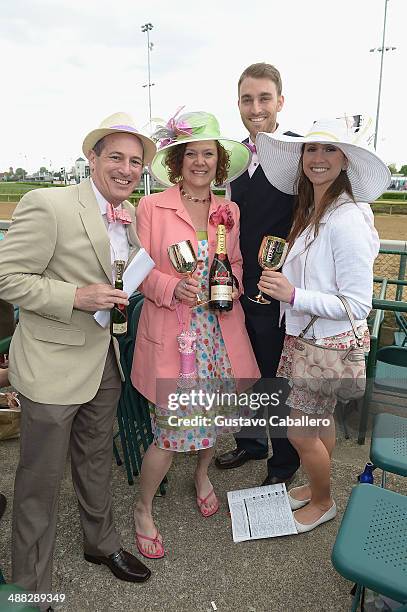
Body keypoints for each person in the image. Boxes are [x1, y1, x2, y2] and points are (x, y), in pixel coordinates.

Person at [0, 112, 157, 600]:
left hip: (104, 360)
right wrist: (75, 296)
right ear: (92, 158)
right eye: (116, 157)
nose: (126, 169)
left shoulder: (128, 214)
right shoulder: (47, 203)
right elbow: (7, 279)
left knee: (94, 463)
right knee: (39, 482)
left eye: (135, 162)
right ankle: (29, 587)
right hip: (51, 367)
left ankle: (100, 542)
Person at [131, 110, 260, 558]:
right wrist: (171, 286)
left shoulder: (230, 210)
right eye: (192, 154)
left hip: (220, 335)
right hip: (175, 337)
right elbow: (139, 275)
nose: (200, 162)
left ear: (219, 162)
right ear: (178, 160)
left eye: (208, 154)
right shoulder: (152, 206)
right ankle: (143, 508)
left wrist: (232, 285)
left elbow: (239, 263)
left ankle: (203, 474)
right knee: (169, 433)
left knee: (214, 421)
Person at [256, 117, 390, 532]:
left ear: (345, 159)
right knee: (319, 423)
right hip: (310, 338)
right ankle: (318, 487)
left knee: (300, 433)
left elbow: (356, 303)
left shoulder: (346, 218)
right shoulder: (318, 208)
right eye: (311, 149)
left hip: (324, 343)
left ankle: (324, 500)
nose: (318, 158)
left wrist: (291, 295)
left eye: (329, 150)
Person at [215, 62, 300, 486]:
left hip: (276, 289)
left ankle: (283, 464)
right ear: (239, 104)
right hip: (236, 286)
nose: (256, 107)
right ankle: (250, 442)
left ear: (280, 101)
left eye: (264, 97)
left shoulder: (301, 151)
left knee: (275, 377)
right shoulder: (234, 158)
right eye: (248, 99)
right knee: (243, 368)